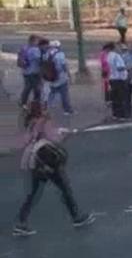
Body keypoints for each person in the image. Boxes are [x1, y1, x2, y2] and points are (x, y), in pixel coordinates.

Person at [13, 101, 95, 236]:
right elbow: (55, 139)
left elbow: (26, 140)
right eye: (44, 107)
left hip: (34, 162)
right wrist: (66, 134)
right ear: (41, 110)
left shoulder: (31, 123)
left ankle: (21, 222)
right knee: (64, 188)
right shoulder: (44, 122)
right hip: (47, 161)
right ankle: (76, 217)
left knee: (34, 194)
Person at [42, 40, 73, 115]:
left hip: (51, 77)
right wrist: (69, 75)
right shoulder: (60, 54)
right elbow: (64, 66)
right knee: (64, 94)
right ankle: (67, 110)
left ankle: (45, 107)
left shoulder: (46, 54)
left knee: (51, 93)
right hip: (61, 77)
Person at [106, 43, 132, 119]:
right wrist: (127, 68)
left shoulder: (109, 56)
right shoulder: (117, 56)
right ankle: (122, 115)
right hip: (119, 78)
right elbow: (120, 67)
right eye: (119, 47)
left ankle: (115, 114)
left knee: (115, 97)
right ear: (114, 48)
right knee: (121, 97)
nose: (121, 49)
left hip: (112, 78)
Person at [17, 35, 44, 106]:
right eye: (37, 41)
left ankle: (23, 102)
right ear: (33, 41)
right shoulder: (35, 49)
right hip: (34, 72)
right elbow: (40, 59)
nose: (38, 43)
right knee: (37, 88)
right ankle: (36, 102)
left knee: (27, 87)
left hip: (25, 71)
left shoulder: (24, 48)